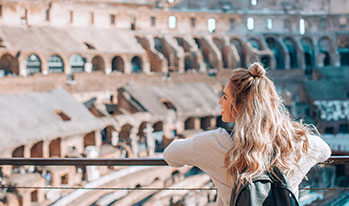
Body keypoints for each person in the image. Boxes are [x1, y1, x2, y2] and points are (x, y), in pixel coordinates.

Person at [163, 62, 331, 206]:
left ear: (239, 106)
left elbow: (170, 155)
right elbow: (325, 152)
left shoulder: (216, 143)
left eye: (225, 97)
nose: (220, 102)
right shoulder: (297, 143)